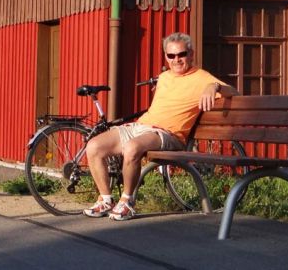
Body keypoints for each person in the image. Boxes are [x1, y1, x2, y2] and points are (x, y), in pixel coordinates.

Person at [83, 32, 238, 221]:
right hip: (142, 126)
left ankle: (127, 201)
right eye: (171, 56)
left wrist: (215, 87)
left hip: (168, 134)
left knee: (133, 147)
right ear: (165, 56)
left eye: (181, 54)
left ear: (191, 54)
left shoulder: (202, 77)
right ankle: (106, 199)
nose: (176, 60)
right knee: (94, 146)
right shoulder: (164, 77)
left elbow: (234, 92)